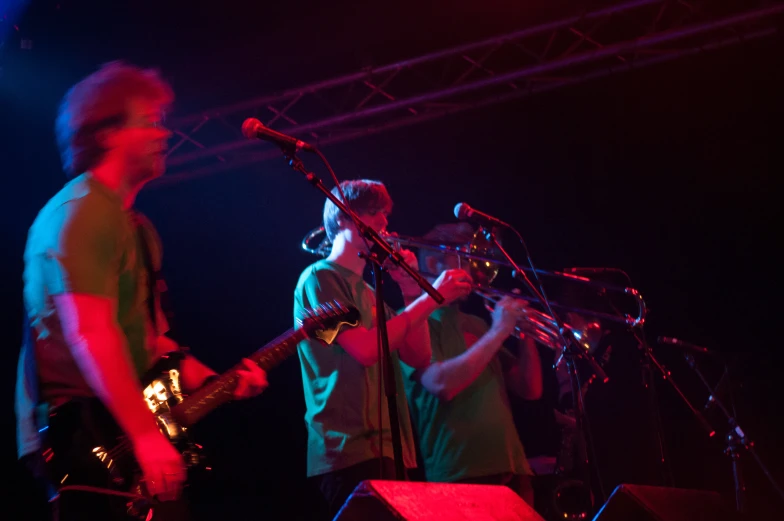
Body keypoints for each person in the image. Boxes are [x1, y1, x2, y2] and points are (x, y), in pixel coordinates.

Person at [14, 61, 269, 521]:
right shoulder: (83, 212)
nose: (164, 134)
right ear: (108, 134)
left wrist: (222, 383)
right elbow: (91, 334)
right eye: (149, 122)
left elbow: (153, 344)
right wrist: (147, 436)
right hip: (85, 433)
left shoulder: (138, 228)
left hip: (121, 428)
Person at [293, 180, 472, 518]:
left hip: (393, 448)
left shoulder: (371, 292)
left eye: (385, 215)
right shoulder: (318, 278)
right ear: (345, 218)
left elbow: (417, 357)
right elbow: (364, 350)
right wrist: (431, 298)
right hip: (347, 450)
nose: (385, 224)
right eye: (375, 213)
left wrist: (409, 289)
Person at [399, 222, 543, 506]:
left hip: (514, 471)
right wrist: (500, 330)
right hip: (459, 474)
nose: (477, 272)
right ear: (432, 262)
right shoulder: (412, 323)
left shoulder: (476, 323)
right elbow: (441, 384)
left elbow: (530, 389)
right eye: (466, 259)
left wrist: (527, 332)